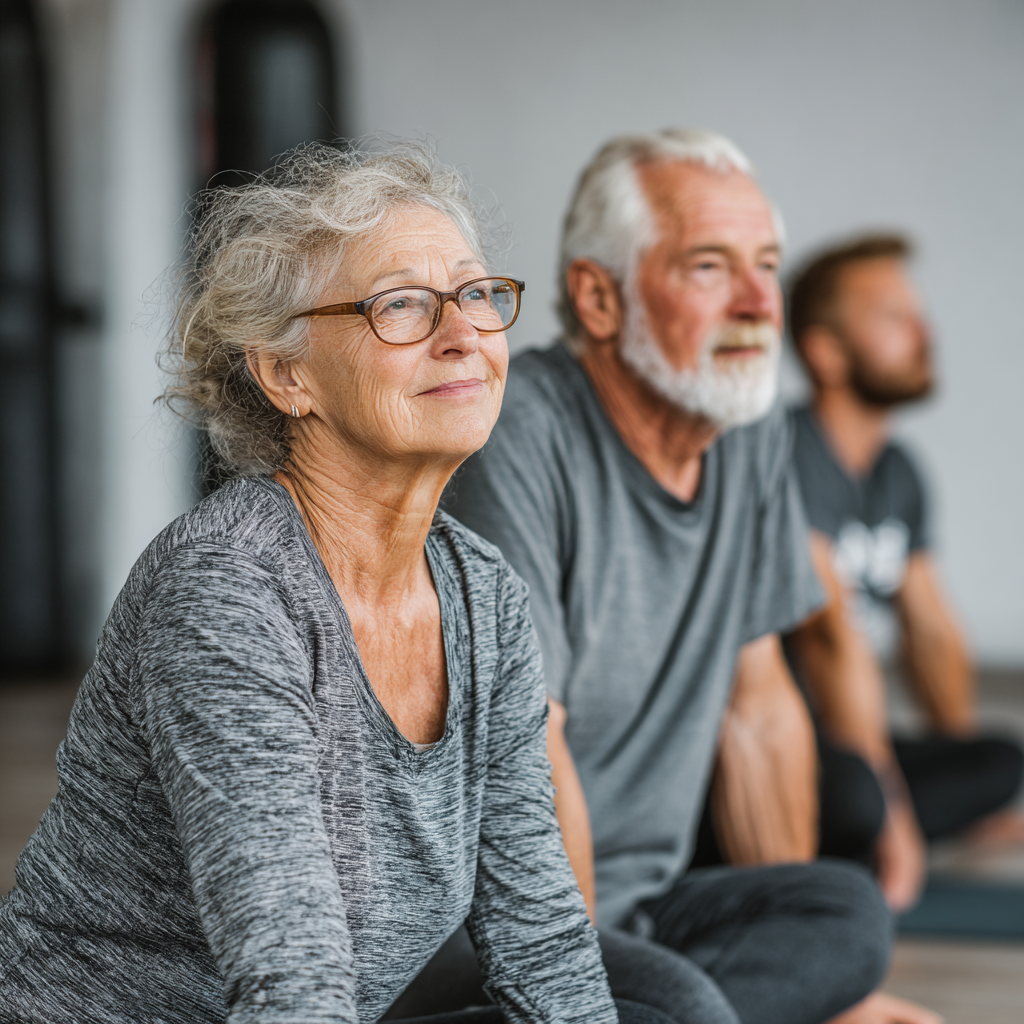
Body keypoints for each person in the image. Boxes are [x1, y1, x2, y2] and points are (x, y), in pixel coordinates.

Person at [0, 142, 672, 1024]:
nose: (464, 335)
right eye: (401, 305)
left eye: (475, 294)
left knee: (656, 1010)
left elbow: (538, 935)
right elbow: (291, 976)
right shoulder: (226, 588)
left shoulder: (484, 596)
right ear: (287, 374)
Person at [439, 130, 900, 1024]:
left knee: (845, 914)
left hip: (647, 911)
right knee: (679, 1009)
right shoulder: (520, 430)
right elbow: (533, 753)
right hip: (498, 932)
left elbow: (759, 709)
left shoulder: (747, 424)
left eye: (767, 265)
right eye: (710, 268)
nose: (759, 303)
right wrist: (575, 997)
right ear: (598, 298)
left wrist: (827, 994)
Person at [784, 233, 1024, 901]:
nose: (925, 333)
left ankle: (872, 824)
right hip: (773, 748)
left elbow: (931, 631)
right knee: (863, 797)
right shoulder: (786, 452)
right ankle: (859, 835)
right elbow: (830, 639)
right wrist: (895, 821)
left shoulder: (897, 471)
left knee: (999, 760)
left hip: (840, 744)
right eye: (894, 318)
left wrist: (960, 762)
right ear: (825, 352)